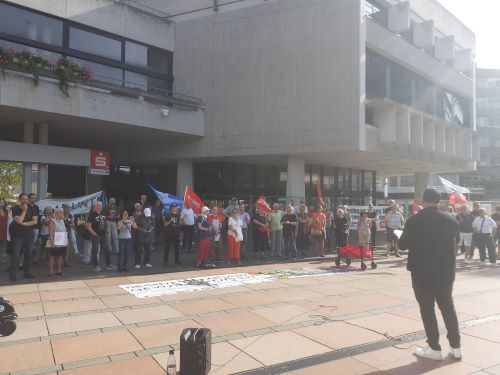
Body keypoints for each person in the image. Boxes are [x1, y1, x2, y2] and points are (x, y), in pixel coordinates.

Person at [398, 188, 462, 361]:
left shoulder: (414, 221)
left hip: (422, 272)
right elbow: (456, 241)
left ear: (423, 201)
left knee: (427, 308)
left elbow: (402, 245)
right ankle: (456, 347)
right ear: (439, 202)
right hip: (445, 271)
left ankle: (434, 348)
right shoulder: (451, 220)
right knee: (448, 307)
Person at [10, 193, 38, 281]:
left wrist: (24, 224)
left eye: (26, 199)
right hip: (18, 236)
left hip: (29, 235)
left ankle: (27, 272)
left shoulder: (31, 208)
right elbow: (18, 220)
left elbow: (35, 221)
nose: (25, 200)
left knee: (29, 254)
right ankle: (13, 275)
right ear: (20, 199)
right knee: (16, 255)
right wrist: (24, 211)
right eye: (23, 199)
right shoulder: (15, 209)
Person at [86, 201, 114, 272]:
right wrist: (94, 233)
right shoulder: (92, 215)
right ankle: (96, 266)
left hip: (103, 235)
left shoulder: (103, 214)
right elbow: (88, 226)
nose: (100, 207)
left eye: (100, 206)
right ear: (95, 207)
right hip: (95, 236)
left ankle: (109, 264)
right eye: (98, 206)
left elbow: (105, 223)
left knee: (107, 250)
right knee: (95, 251)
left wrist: (107, 231)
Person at [46, 207, 68, 277]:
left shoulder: (62, 221)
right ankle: (51, 272)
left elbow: (64, 231)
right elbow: (51, 232)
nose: (62, 214)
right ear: (57, 213)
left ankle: (59, 271)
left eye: (62, 212)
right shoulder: (52, 221)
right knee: (52, 257)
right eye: (61, 212)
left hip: (61, 241)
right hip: (54, 241)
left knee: (60, 256)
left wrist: (65, 240)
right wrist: (52, 242)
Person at [0, 199, 8, 264]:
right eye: (0, 202)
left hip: (4, 230)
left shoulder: (6, 211)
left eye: (3, 202)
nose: (1, 203)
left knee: (3, 246)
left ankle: (1, 258)